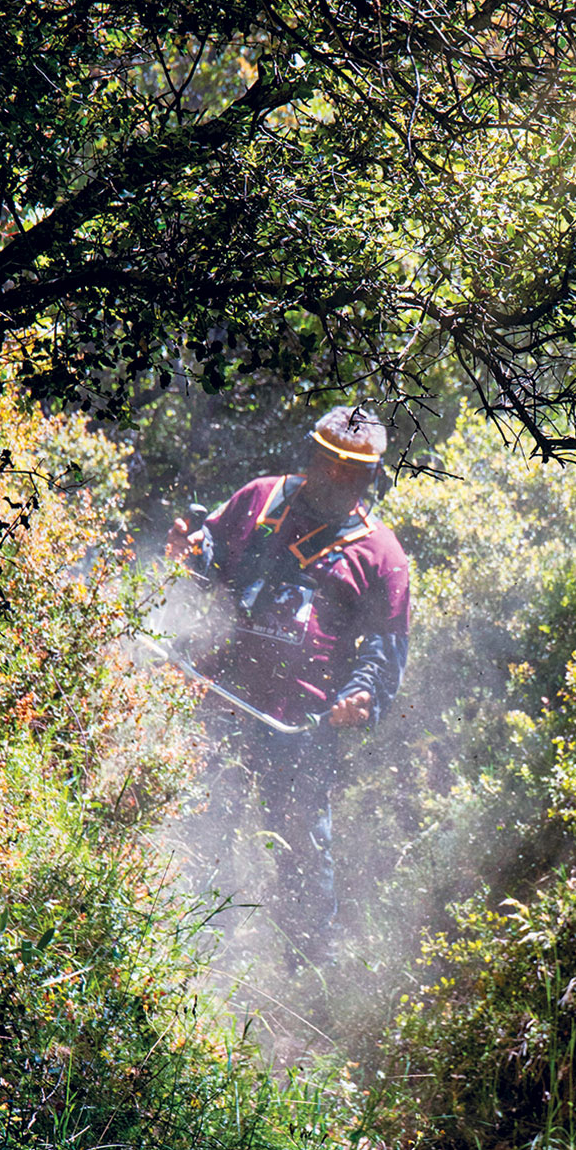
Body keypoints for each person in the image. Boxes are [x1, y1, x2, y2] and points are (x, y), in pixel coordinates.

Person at [165, 405, 411, 964]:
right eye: (329, 462)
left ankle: (305, 971)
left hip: (299, 728)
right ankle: (192, 950)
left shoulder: (380, 554)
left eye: (352, 471)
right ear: (311, 455)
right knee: (202, 823)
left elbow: (384, 647)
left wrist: (364, 694)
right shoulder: (260, 499)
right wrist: (191, 550)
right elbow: (211, 556)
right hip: (220, 702)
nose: (336, 477)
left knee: (301, 845)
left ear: (371, 477)